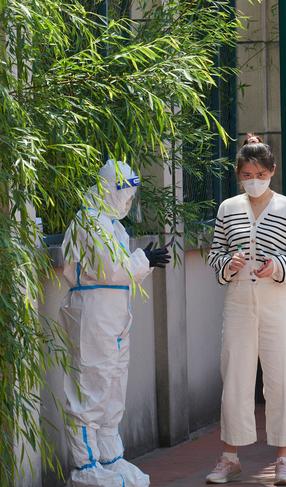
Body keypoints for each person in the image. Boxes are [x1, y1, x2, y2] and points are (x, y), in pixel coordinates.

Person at [206, 135, 286, 485]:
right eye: (247, 173)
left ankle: (283, 458)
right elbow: (214, 253)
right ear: (238, 174)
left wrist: (277, 267)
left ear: (272, 171)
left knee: (279, 377)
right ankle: (229, 456)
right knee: (234, 376)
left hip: (276, 300)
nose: (254, 179)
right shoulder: (228, 208)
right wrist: (228, 263)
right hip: (238, 300)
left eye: (260, 172)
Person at [59, 160, 170, 487]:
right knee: (91, 387)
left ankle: (110, 458)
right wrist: (143, 260)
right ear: (110, 188)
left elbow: (121, 270)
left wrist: (143, 263)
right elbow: (109, 267)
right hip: (93, 310)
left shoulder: (111, 224)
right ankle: (86, 467)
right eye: (126, 192)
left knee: (112, 387)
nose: (129, 200)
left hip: (114, 310)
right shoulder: (89, 220)